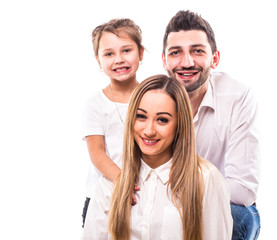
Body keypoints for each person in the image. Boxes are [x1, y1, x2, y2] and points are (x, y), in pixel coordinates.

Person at [81, 74, 233, 240]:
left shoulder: (206, 179)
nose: (149, 131)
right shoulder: (108, 186)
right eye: (141, 116)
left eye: (162, 120)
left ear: (180, 124)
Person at [162, 10, 261, 240]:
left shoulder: (238, 96)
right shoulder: (153, 100)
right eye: (176, 53)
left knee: (238, 217)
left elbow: (243, 191)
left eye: (197, 51)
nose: (186, 62)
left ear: (214, 59)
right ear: (164, 61)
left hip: (224, 205)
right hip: (167, 203)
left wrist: (183, 193)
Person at [81, 18, 144, 226]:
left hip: (144, 192)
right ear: (99, 61)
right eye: (109, 54)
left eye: (126, 50)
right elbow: (97, 152)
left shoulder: (153, 96)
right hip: (105, 194)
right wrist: (122, 181)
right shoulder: (95, 103)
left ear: (141, 53)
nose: (119, 59)